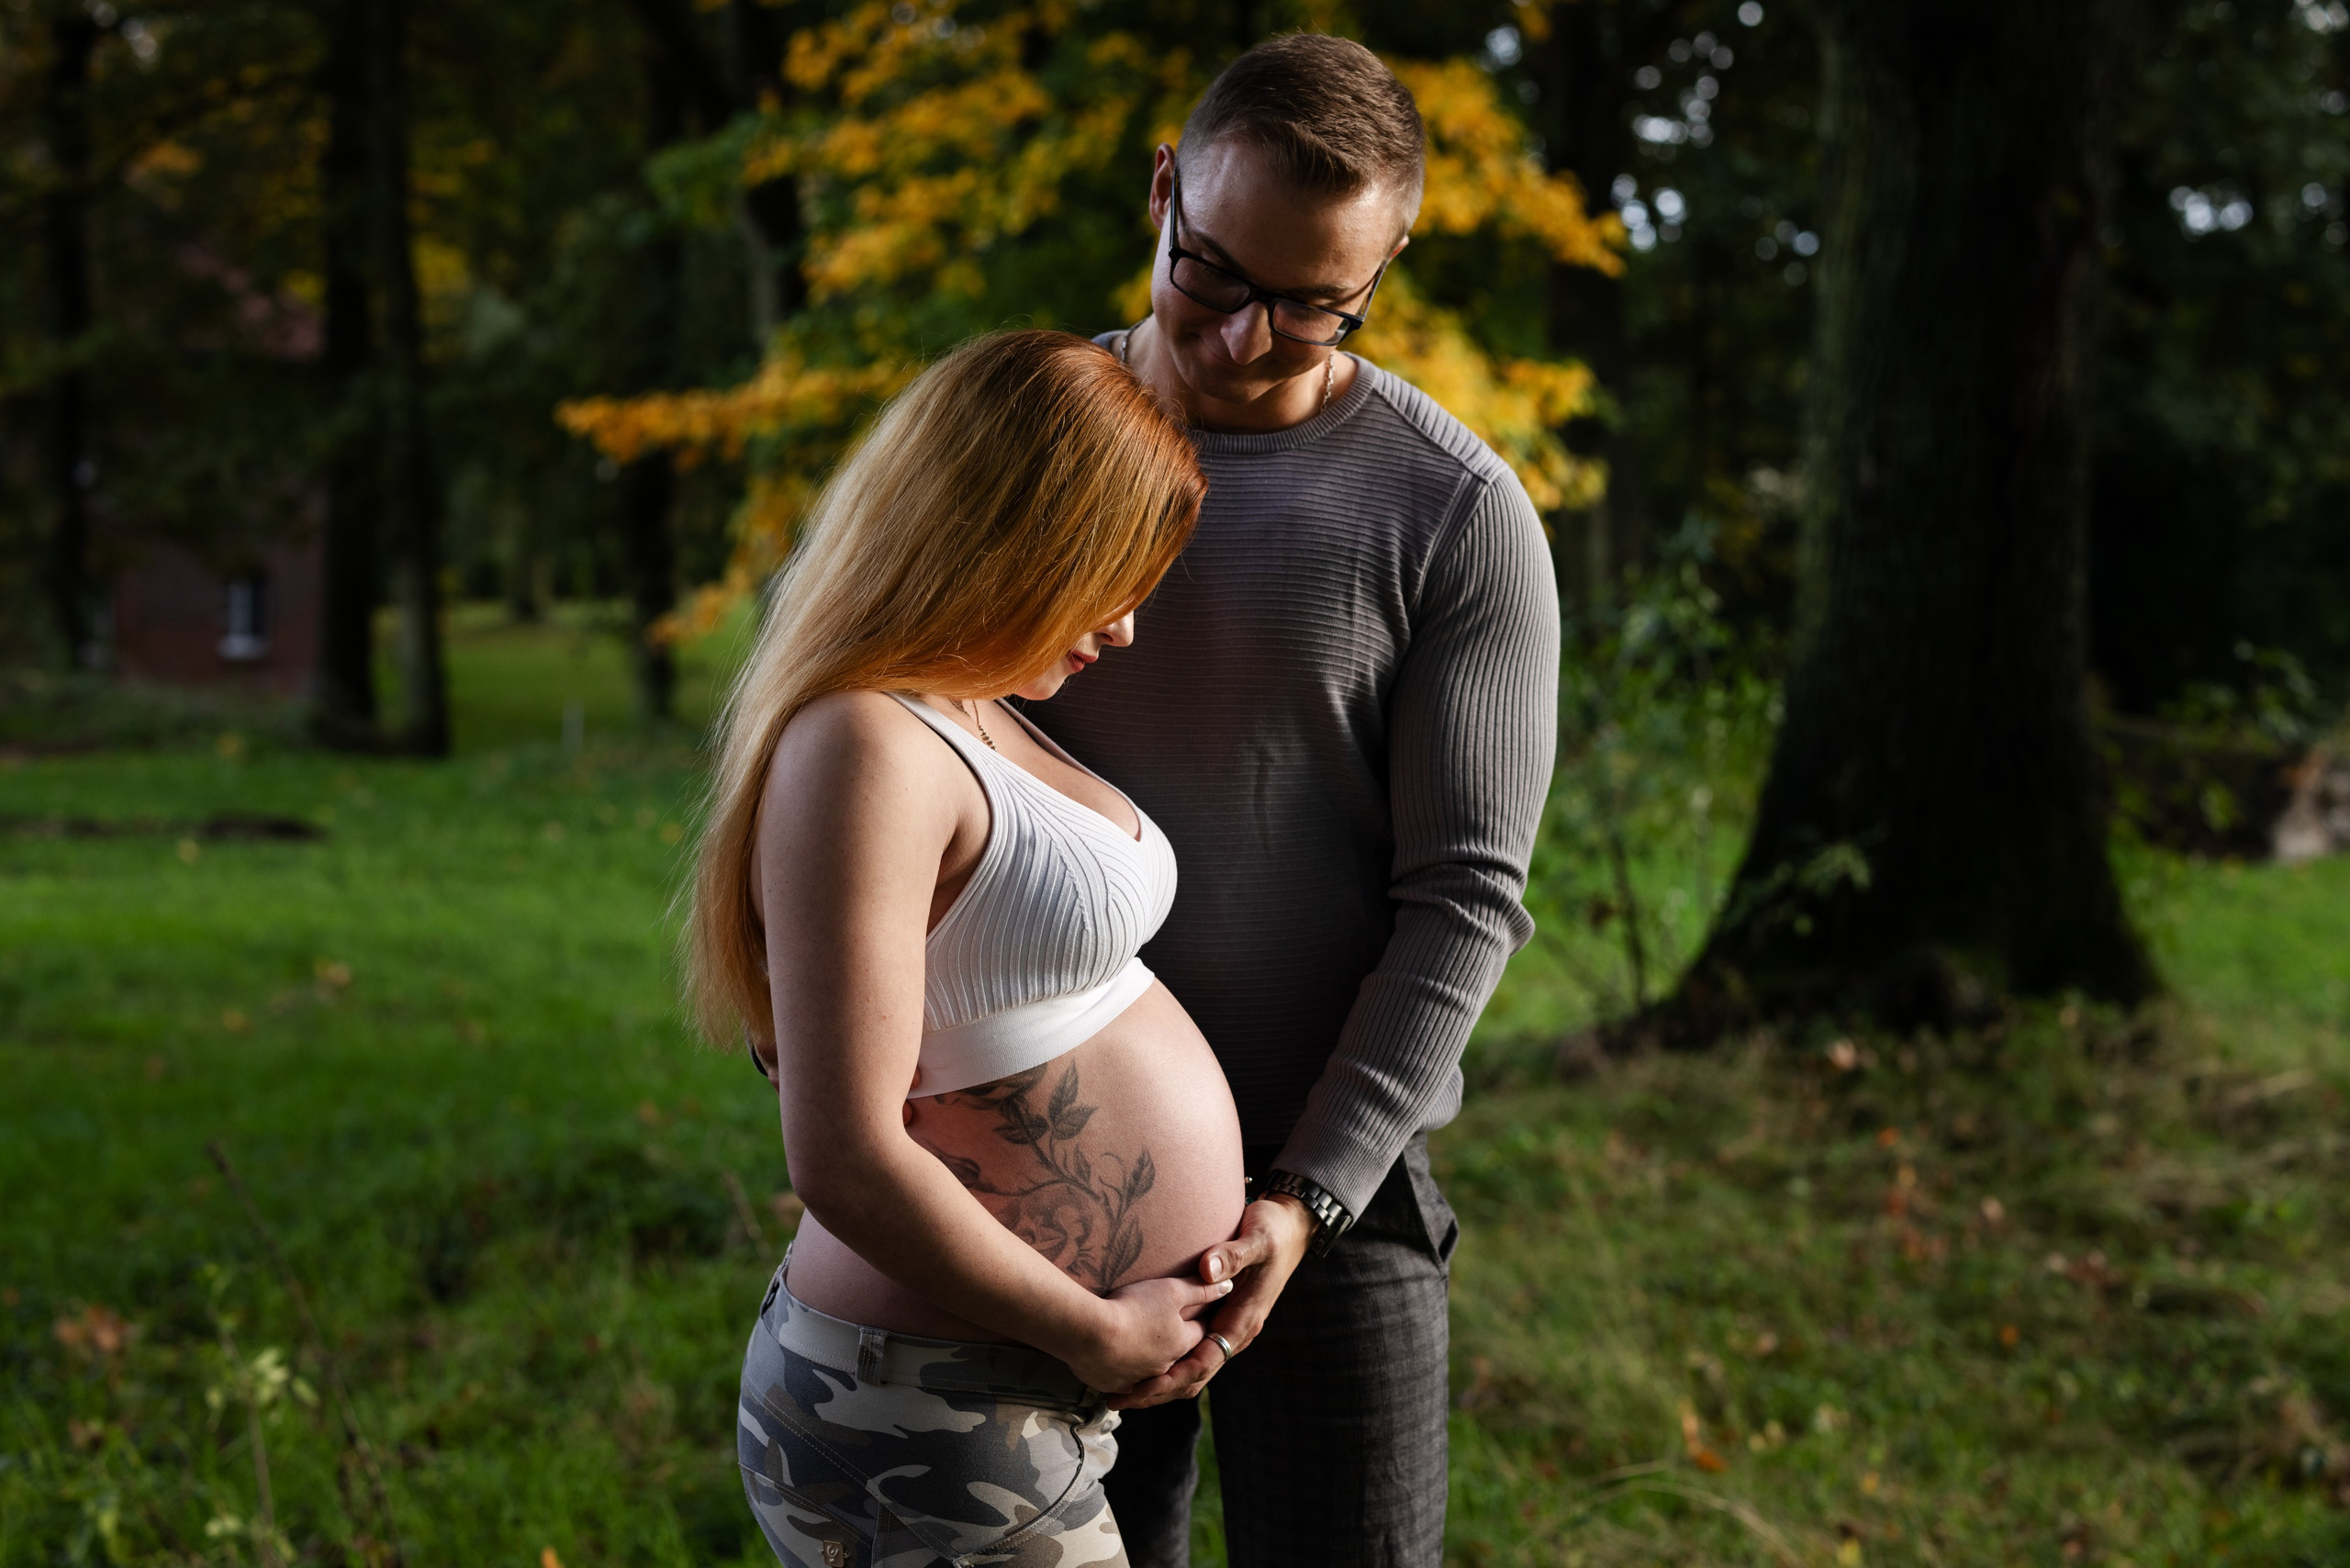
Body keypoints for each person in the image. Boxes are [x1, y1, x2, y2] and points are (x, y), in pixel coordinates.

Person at [1023, 35, 1562, 1567]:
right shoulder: (1006, 446)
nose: (1247, 337)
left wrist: (1306, 1197)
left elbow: (1464, 899)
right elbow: (831, 723)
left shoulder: (1456, 514)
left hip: (1336, 1197)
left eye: (1315, 303)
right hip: (1025, 1177)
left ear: (1384, 270)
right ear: (1162, 191)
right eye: (1211, 272)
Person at [692, 330, 1259, 1568]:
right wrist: (1093, 1332)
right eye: (1106, 576)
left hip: (988, 1388)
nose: (1124, 628)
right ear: (1008, 535)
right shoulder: (866, 743)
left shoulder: (971, 706)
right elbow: (842, 1153)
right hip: (922, 1402)